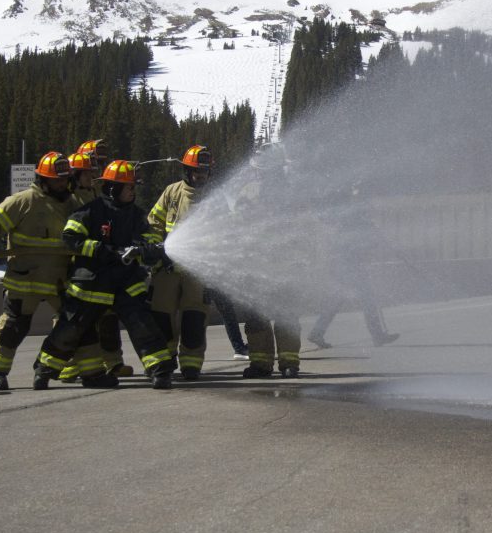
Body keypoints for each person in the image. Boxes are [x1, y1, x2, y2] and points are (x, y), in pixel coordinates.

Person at [32, 160, 176, 389]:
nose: (133, 192)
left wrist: (144, 250)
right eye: (129, 187)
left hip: (126, 283)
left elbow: (151, 240)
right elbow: (71, 238)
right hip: (91, 282)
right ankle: (44, 371)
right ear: (112, 188)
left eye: (133, 187)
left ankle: (160, 372)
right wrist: (105, 251)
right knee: (71, 328)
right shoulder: (90, 212)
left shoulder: (137, 215)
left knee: (143, 326)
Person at [0, 151, 74, 391]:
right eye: (57, 180)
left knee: (72, 325)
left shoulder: (71, 205)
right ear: (44, 180)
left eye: (65, 180)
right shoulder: (23, 201)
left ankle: (46, 367)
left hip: (59, 280)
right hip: (25, 279)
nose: (62, 184)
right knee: (13, 327)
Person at [148, 145, 248, 381]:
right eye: (196, 171)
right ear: (187, 170)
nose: (200, 175)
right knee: (162, 318)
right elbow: (154, 222)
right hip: (167, 270)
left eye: (204, 171)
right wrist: (156, 249)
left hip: (197, 273)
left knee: (194, 320)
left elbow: (223, 232)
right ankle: (163, 362)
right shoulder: (172, 192)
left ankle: (191, 365)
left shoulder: (215, 198)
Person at [58, 150, 133, 383]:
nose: (93, 176)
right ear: (75, 175)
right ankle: (69, 366)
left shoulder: (94, 196)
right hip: (75, 269)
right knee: (75, 320)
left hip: (99, 268)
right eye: (88, 173)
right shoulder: (68, 201)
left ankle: (113, 362)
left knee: (107, 318)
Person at [237, 142, 304, 379]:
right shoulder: (250, 192)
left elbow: (303, 228)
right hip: (258, 265)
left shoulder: (291, 193)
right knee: (257, 317)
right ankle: (262, 364)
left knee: (285, 315)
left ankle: (288, 362)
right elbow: (238, 227)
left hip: (283, 264)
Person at [307, 187, 398, 349]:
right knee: (367, 299)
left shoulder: (348, 218)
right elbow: (355, 244)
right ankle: (377, 336)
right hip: (349, 266)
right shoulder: (353, 219)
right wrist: (370, 234)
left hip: (343, 265)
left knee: (337, 300)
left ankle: (317, 332)